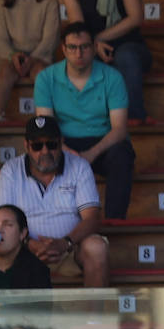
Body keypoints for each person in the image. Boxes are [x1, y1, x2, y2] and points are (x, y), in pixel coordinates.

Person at [33, 22, 135, 220]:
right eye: (72, 47)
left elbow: (120, 129)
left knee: (122, 156)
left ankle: (115, 224)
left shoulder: (112, 77)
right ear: (64, 49)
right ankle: (55, 222)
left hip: (103, 142)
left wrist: (91, 154)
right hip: (63, 143)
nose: (78, 54)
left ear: (95, 47)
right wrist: (68, 151)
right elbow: (46, 128)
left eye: (84, 47)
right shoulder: (46, 78)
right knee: (42, 152)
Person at [0, 116, 108, 288]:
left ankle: (95, 308)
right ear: (26, 146)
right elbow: (1, 222)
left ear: (61, 143)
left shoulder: (79, 166)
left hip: (70, 249)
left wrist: (65, 243)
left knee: (96, 247)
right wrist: (31, 244)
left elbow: (92, 218)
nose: (45, 151)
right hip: (25, 250)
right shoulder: (10, 170)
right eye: (37, 146)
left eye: (51, 144)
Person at [55, 0, 152, 121]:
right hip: (92, 48)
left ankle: (133, 120)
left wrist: (99, 37)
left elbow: (135, 17)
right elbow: (79, 31)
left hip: (130, 45)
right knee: (81, 61)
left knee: (125, 57)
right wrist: (94, 44)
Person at [0, 0, 60, 122]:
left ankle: (46, 121)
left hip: (41, 56)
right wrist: (13, 55)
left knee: (41, 75)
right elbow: (0, 39)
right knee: (5, 74)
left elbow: (50, 38)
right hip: (15, 57)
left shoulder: (49, 1)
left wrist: (33, 58)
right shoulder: (2, 3)